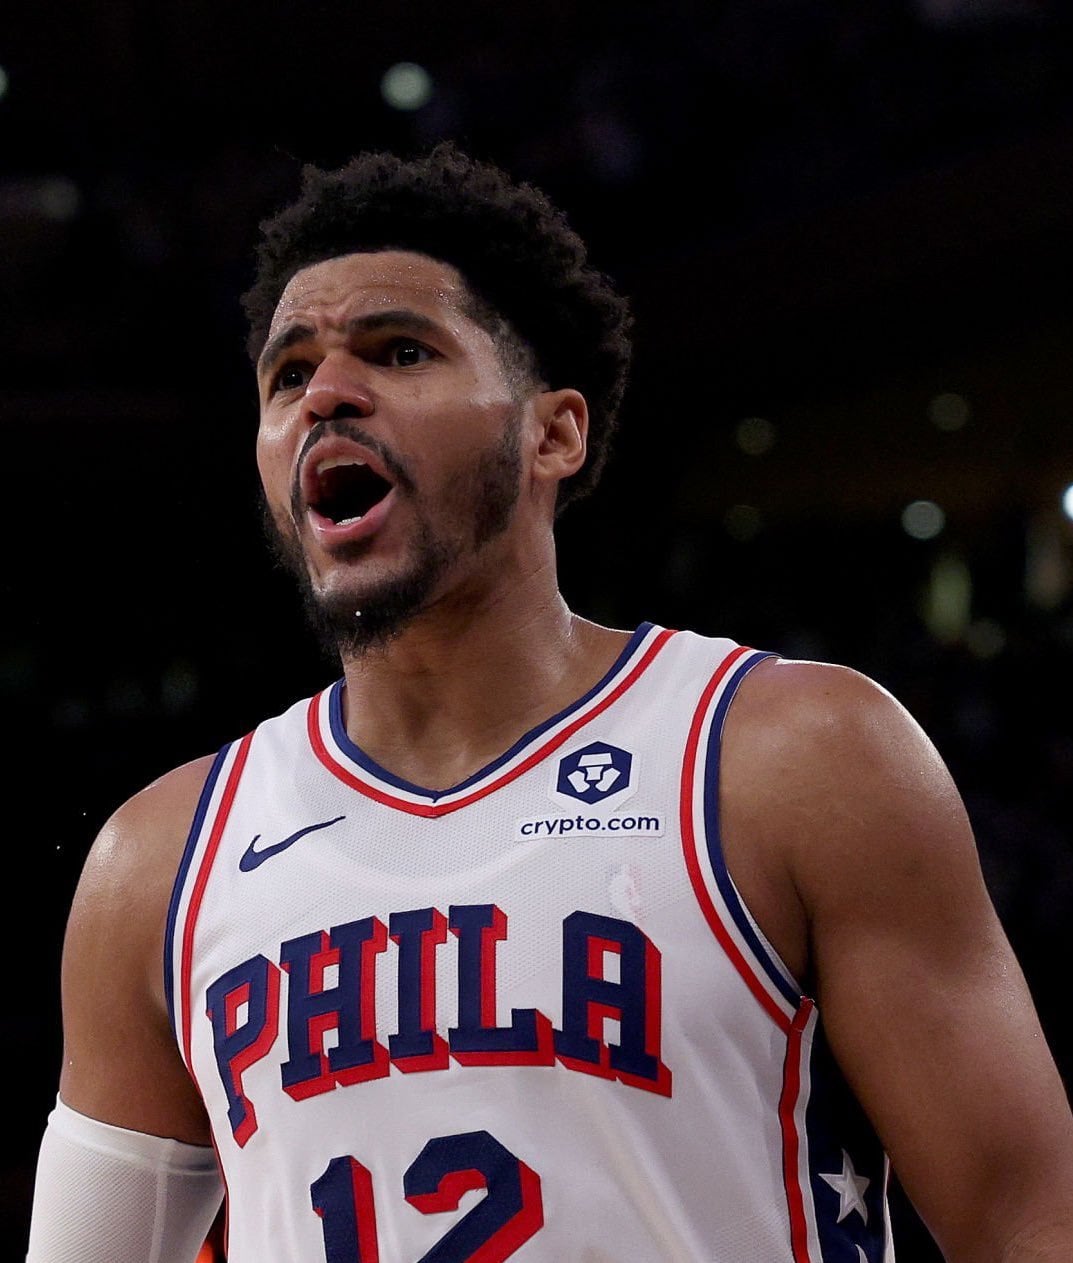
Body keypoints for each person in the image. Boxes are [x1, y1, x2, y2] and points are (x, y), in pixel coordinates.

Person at [24, 139, 1073, 1263]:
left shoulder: (792, 756)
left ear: (553, 432)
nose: (326, 393)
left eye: (400, 350)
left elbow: (1026, 1221)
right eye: (289, 376)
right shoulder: (158, 863)